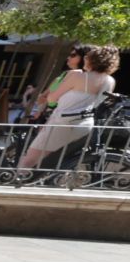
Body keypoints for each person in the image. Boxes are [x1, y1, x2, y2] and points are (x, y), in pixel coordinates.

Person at [22, 45, 118, 176]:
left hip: (63, 122)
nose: (84, 60)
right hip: (85, 125)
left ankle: (14, 184)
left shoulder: (78, 77)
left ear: (92, 60)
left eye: (86, 58)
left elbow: (52, 98)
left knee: (29, 160)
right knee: (54, 161)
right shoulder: (110, 81)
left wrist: (50, 96)